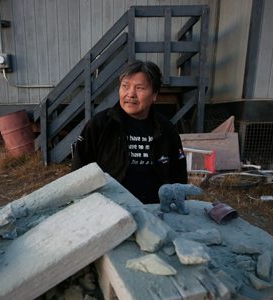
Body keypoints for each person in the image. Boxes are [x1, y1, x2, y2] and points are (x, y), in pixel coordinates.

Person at [72, 60, 187, 204]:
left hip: (155, 210)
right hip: (110, 210)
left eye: (139, 88)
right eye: (125, 86)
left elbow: (179, 175)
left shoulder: (166, 129)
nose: (130, 94)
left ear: (154, 95)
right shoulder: (99, 125)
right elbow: (79, 171)